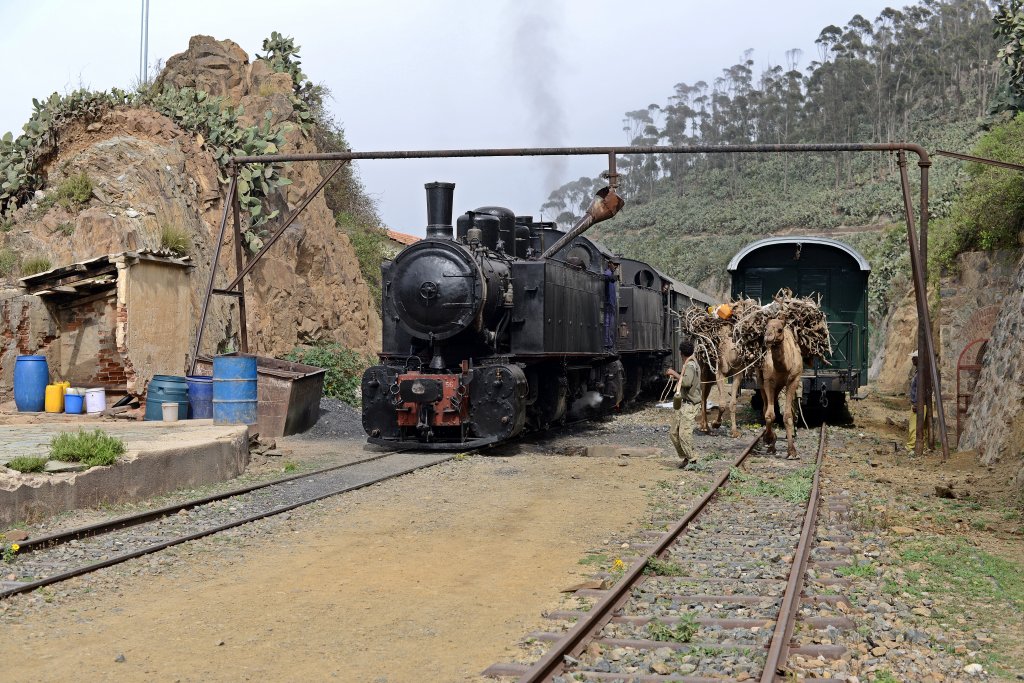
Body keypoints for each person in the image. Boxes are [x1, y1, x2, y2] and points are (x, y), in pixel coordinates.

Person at [666, 338, 701, 468]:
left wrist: (673, 373)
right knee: (674, 433)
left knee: (684, 434)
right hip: (683, 403)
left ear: (681, 353)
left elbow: (686, 382)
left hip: (690, 404)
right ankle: (686, 457)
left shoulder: (690, 365)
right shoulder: (690, 363)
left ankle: (693, 460)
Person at [906, 350, 930, 452]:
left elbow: (920, 390)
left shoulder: (920, 373)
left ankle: (911, 446)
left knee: (914, 426)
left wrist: (916, 404)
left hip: (919, 404)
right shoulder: (920, 372)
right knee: (922, 427)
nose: (912, 359)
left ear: (919, 359)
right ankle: (923, 446)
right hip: (922, 403)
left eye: (914, 358)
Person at [603, 259, 619, 350]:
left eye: (617, 265)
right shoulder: (607, 273)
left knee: (611, 324)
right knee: (608, 323)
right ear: (609, 264)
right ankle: (607, 343)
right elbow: (605, 277)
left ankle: (610, 344)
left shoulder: (611, 274)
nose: (616, 266)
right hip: (608, 302)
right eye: (614, 264)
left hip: (611, 303)